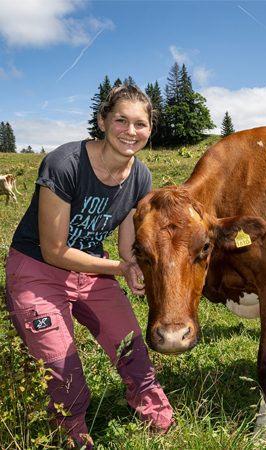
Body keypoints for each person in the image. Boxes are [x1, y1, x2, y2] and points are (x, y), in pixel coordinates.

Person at [4, 85, 174, 449]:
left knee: (132, 349)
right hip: (37, 270)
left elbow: (127, 243)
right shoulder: (65, 164)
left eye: (141, 124)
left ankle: (158, 418)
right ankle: (71, 434)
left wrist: (133, 266)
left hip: (94, 271)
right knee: (64, 372)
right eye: (121, 120)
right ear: (101, 121)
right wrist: (118, 268)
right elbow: (54, 250)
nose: (131, 131)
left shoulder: (140, 177)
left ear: (150, 130)